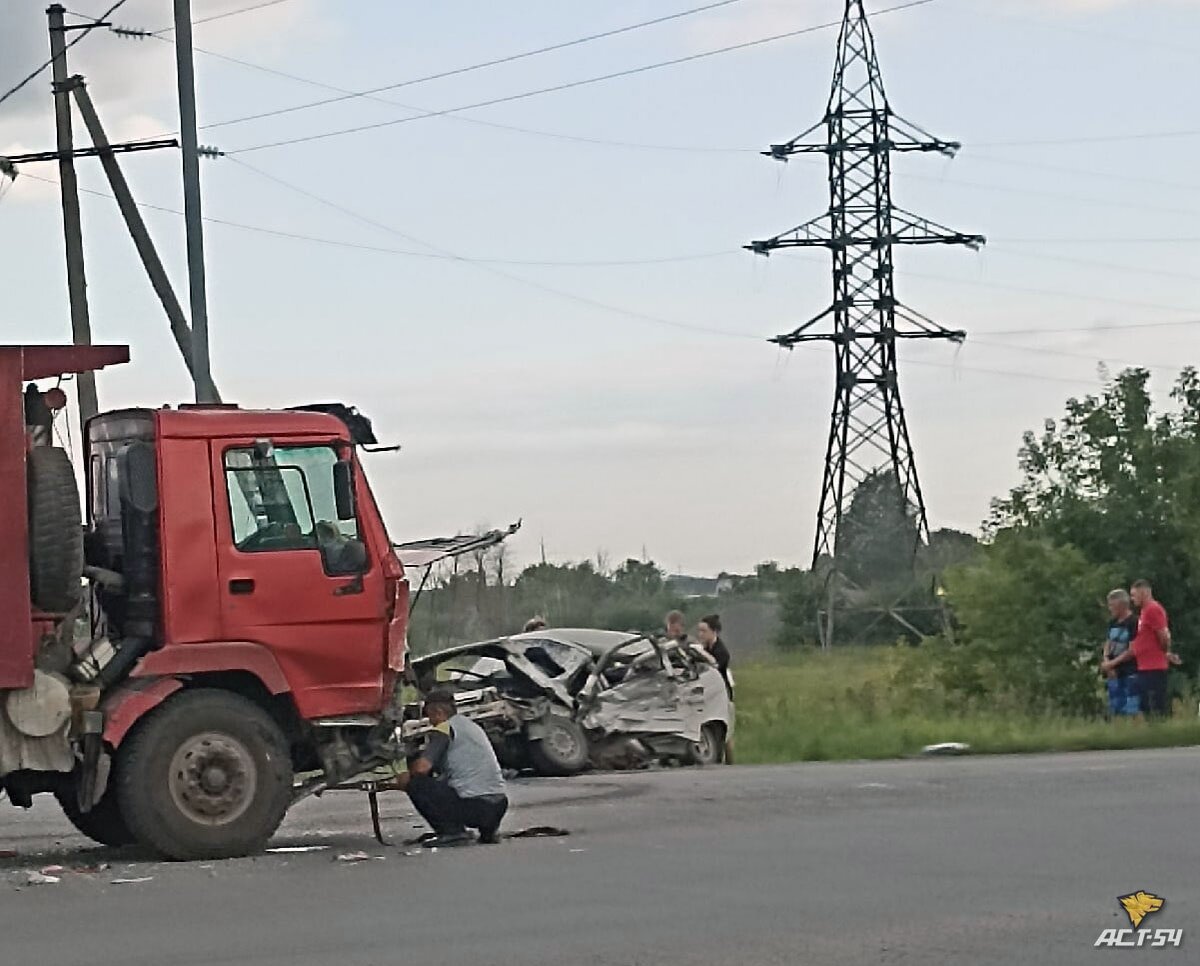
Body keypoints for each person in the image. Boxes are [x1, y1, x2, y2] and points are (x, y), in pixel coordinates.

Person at [396, 689, 508, 846]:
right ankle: (488, 833)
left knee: (417, 783)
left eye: (430, 717)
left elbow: (422, 768)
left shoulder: (444, 728)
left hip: (475, 806)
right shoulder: (472, 726)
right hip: (499, 805)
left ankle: (452, 833)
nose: (431, 722)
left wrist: (404, 777)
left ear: (439, 712)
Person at [1103, 579, 1181, 718]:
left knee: (1154, 706)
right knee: (1145, 706)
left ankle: (1159, 732)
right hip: (1144, 666)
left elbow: (1163, 635)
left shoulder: (1152, 609)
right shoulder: (1145, 611)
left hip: (1153, 667)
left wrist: (1164, 651)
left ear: (1144, 592)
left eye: (1134, 595)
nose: (1132, 600)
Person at [696, 614, 735, 765]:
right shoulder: (704, 649)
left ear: (714, 632)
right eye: (699, 631)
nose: (700, 634)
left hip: (723, 695)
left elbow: (716, 668)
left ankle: (729, 763)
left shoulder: (721, 652)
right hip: (709, 694)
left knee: (725, 733)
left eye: (703, 631)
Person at [1101, 589, 1139, 718]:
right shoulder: (1112, 623)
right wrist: (1106, 661)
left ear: (1122, 605)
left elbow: (1132, 650)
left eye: (1112, 605)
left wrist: (1112, 663)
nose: (1110, 608)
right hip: (1113, 673)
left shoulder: (1134, 622)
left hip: (1130, 671)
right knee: (1115, 707)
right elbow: (1108, 643)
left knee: (1132, 708)